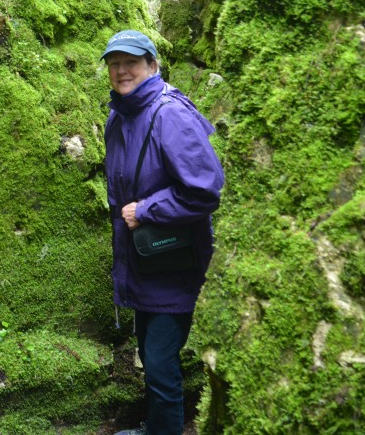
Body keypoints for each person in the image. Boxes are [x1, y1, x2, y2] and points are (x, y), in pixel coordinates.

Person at [101, 30, 224, 435]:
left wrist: (149, 209)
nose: (121, 71)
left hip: (174, 262)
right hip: (143, 260)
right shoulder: (120, 115)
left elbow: (206, 189)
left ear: (152, 65)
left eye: (131, 62)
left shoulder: (169, 113)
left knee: (159, 363)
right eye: (114, 63)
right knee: (149, 354)